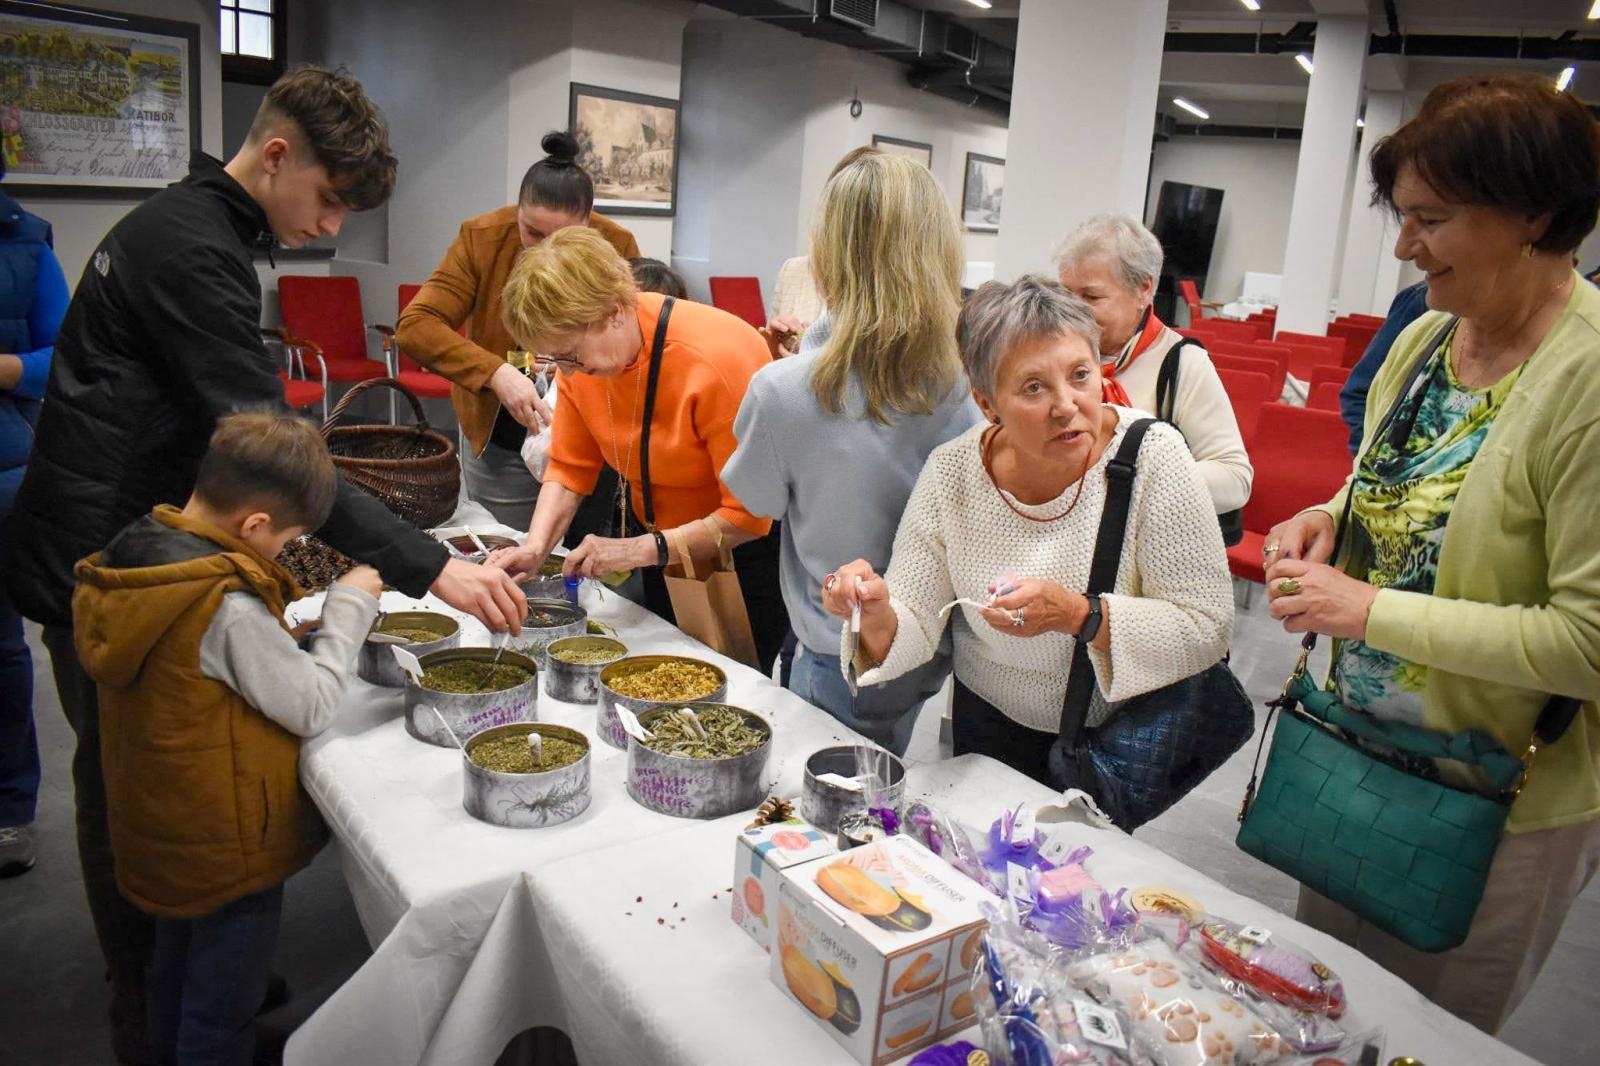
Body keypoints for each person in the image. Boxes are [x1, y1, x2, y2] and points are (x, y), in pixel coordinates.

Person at [0, 66, 524, 1065]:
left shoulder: (201, 231)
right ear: (275, 154)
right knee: (127, 787)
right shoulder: (190, 249)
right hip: (107, 556)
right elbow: (269, 439)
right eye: (326, 199)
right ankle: (149, 999)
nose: (328, 228)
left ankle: (196, 973)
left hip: (140, 540)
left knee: (171, 767)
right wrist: (428, 565)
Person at [1262, 72, 1600, 1034]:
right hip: (1356, 749)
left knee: (1419, 1037)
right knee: (1318, 1012)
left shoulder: (1587, 381)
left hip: (1486, 801)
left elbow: (1587, 641)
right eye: (1403, 217)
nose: (1405, 245)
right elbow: (1394, 481)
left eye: (1433, 218)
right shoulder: (1427, 337)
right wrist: (1331, 515)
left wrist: (1365, 611)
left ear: (1533, 213)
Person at [821, 276, 1232, 783]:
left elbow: (1207, 626)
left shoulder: (1153, 457)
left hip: (1109, 739)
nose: (1067, 405)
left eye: (1081, 375)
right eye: (1034, 387)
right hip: (984, 725)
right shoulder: (954, 472)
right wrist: (876, 611)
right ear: (987, 403)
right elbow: (917, 624)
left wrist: (1078, 614)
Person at [74, 412, 381, 1066]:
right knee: (223, 1002)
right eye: (288, 540)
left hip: (161, 829)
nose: (285, 553)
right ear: (254, 527)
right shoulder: (225, 604)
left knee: (172, 970)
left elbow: (193, 673)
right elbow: (313, 703)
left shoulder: (140, 554)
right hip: (227, 844)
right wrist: (351, 607)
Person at [723, 153, 979, 754]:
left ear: (829, 251)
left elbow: (756, 502)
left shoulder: (784, 388)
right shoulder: (961, 382)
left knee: (828, 808)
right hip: (926, 640)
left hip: (836, 644)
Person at [491, 227, 791, 673]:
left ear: (614, 311)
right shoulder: (584, 366)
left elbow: (748, 517)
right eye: (557, 361)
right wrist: (536, 546)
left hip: (740, 561)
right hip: (661, 552)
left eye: (570, 356)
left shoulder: (719, 357)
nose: (568, 373)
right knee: (666, 676)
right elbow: (571, 467)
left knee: (731, 690)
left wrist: (634, 550)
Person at [396, 130, 639, 532]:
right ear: (518, 213)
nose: (543, 249)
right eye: (532, 233)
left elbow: (636, 334)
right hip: (502, 433)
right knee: (508, 543)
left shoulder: (617, 243)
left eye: (562, 237)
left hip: (590, 434)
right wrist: (496, 373)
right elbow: (416, 326)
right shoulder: (482, 237)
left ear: (588, 223)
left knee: (579, 551)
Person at [1055, 213, 1252, 516]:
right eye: (1066, 294)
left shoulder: (1182, 362)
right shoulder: (1051, 353)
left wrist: (1129, 480)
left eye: (1091, 296)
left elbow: (1234, 478)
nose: (1072, 310)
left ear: (1143, 290)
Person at [0, 153, 68, 878]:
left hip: (7, 463)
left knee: (3, 648)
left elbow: (68, 354)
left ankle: (10, 808)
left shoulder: (25, 243)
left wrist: (8, 369)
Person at [1337, 280, 1429, 454]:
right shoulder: (1422, 302)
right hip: (1400, 472)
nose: (1404, 254)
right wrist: (1371, 462)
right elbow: (1360, 392)